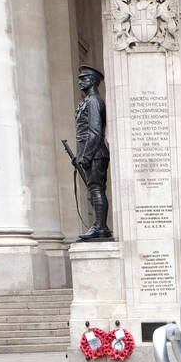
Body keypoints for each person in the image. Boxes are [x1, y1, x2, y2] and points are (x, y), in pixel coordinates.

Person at [74, 66, 111, 240]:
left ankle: (100, 227)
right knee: (95, 189)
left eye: (84, 78)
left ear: (93, 80)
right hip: (91, 152)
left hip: (95, 153)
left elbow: (95, 132)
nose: (80, 81)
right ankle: (99, 226)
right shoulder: (88, 100)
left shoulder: (94, 101)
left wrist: (86, 156)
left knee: (96, 189)